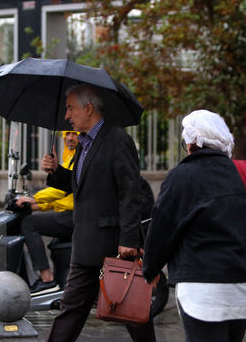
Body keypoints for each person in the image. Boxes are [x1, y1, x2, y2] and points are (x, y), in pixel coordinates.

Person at [142, 110, 246, 342]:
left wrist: (150, 269)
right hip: (245, 285)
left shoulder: (181, 176)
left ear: (192, 143)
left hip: (201, 290)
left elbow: (162, 231)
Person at [41, 84, 156, 342]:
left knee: (130, 310)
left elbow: (130, 192)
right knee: (71, 310)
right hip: (86, 241)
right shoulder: (84, 144)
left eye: (70, 108)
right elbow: (83, 185)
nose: (67, 115)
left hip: (112, 243)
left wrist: (129, 239)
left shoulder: (118, 140)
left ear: (88, 108)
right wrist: (56, 172)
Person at [17, 131, 79, 295]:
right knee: (34, 219)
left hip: (75, 217)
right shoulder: (69, 156)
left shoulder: (79, 157)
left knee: (29, 224)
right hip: (69, 214)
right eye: (68, 134)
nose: (70, 138)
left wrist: (34, 198)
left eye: (75, 134)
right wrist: (37, 205)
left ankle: (47, 279)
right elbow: (62, 194)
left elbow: (59, 192)